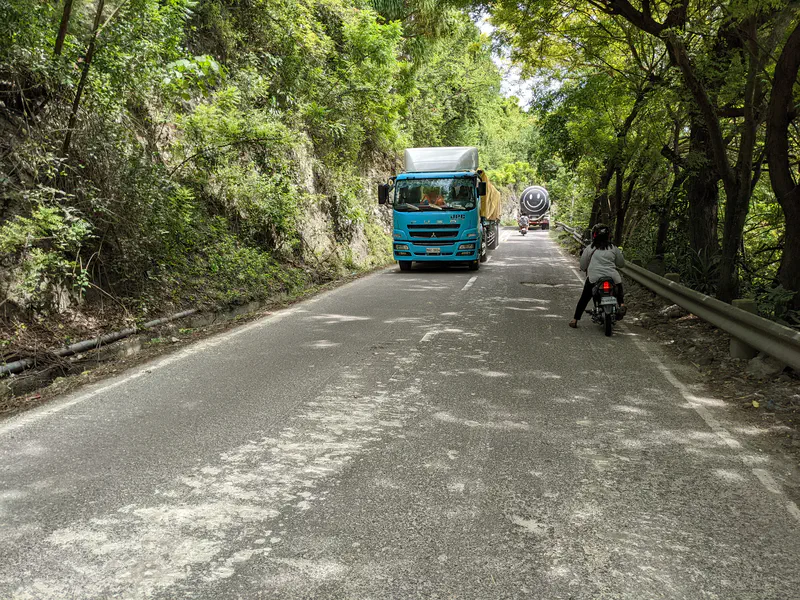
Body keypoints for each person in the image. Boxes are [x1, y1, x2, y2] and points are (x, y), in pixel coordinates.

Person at [569, 224, 626, 328]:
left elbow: (582, 265)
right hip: (612, 276)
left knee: (584, 298)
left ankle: (575, 319)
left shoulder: (590, 248)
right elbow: (621, 263)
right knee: (619, 288)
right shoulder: (613, 248)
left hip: (594, 278)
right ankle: (621, 304)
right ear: (608, 235)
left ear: (594, 235)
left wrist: (585, 268)